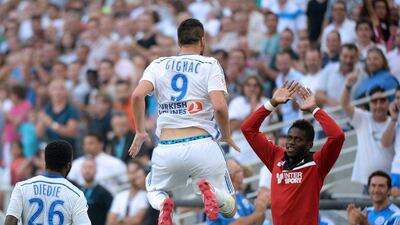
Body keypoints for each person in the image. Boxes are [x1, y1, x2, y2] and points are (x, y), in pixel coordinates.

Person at [128, 18, 239, 225]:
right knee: (230, 209)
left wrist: (140, 131)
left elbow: (136, 96)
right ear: (202, 41)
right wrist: (226, 135)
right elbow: (220, 107)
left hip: (168, 148)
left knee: (153, 188)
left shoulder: (157, 64)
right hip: (203, 144)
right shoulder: (210, 64)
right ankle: (212, 192)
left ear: (179, 41)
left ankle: (163, 205)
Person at [241, 82, 345, 225]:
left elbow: (338, 136)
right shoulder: (276, 156)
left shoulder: (318, 162)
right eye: (289, 137)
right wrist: (272, 103)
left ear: (309, 145)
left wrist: (314, 109)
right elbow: (248, 128)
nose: (291, 142)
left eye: (298, 140)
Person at [5, 140, 91, 225]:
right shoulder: (76, 195)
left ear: (45, 162)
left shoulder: (22, 187)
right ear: (68, 165)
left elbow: (10, 221)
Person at [207, 159, 269, 225]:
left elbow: (258, 221)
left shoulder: (238, 194)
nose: (243, 173)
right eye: (239, 170)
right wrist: (258, 213)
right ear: (231, 176)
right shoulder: (221, 198)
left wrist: (262, 206)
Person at [80, 157, 113, 225]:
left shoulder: (104, 193)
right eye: (85, 167)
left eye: (91, 167)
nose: (87, 170)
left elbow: (110, 215)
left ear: (96, 170)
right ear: (81, 170)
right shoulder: (76, 190)